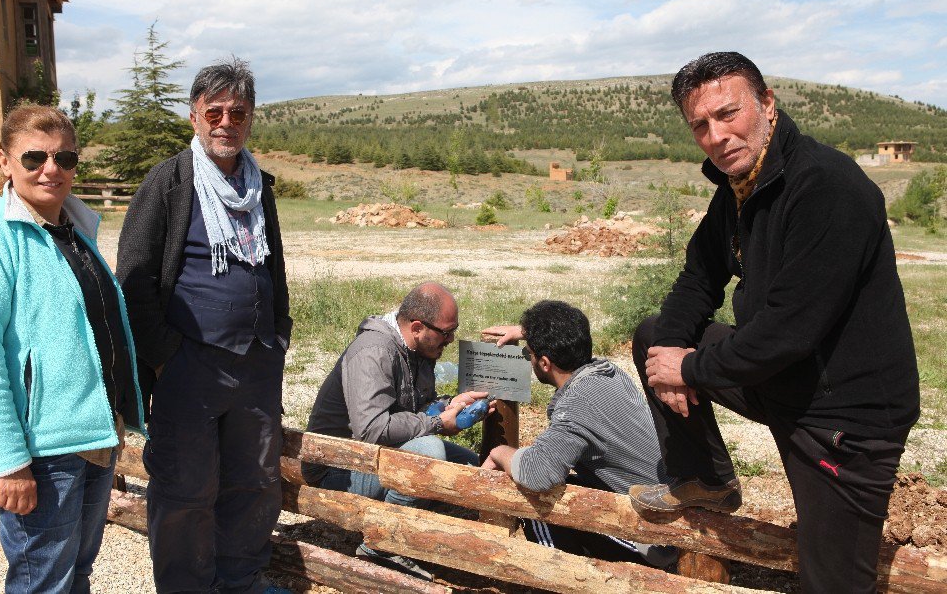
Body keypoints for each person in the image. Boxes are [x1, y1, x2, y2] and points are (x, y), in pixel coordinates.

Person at [627, 52, 920, 593]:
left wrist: (690, 370)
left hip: (845, 417)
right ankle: (706, 480)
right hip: (784, 378)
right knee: (654, 337)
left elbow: (789, 329)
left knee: (832, 582)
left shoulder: (827, 186)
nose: (716, 135)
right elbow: (697, 280)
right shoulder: (739, 189)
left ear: (767, 104)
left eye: (728, 113)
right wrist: (672, 353)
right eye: (701, 125)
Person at [0, 105, 147, 593]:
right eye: (34, 157)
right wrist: (10, 461)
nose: (50, 169)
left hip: (92, 435)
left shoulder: (75, 229)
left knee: (76, 573)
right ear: (4, 161)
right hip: (41, 451)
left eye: (65, 158)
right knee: (43, 582)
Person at [116, 58, 292, 594]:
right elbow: (134, 277)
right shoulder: (169, 181)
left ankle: (238, 581)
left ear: (251, 118)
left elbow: (274, 267)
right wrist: (166, 355)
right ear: (194, 117)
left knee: (255, 482)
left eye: (237, 112)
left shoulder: (259, 185)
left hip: (257, 364)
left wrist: (278, 336)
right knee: (185, 487)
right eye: (213, 111)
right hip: (189, 367)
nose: (225, 122)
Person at [304, 281, 491, 580]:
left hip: (373, 456)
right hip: (338, 468)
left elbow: (416, 409)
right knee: (429, 453)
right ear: (417, 326)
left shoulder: (417, 349)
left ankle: (416, 525)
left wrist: (448, 405)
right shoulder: (374, 352)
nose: (451, 339)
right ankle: (383, 545)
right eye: (446, 332)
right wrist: (439, 423)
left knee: (470, 467)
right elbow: (372, 429)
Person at [481, 301, 676, 569]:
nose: (528, 356)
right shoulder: (607, 372)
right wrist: (527, 331)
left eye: (530, 354)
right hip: (666, 507)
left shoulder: (577, 404)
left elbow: (539, 474)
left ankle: (558, 578)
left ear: (545, 363)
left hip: (655, 540)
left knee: (533, 496)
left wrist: (500, 451)